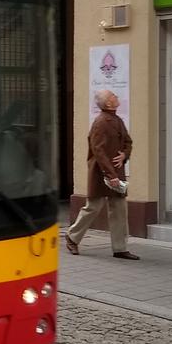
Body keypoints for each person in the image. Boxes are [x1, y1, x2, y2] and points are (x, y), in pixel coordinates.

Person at [65, 90, 138, 260]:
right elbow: (98, 151)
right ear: (108, 104)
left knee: (119, 209)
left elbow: (128, 141)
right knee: (93, 207)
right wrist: (110, 175)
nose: (117, 97)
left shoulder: (117, 119)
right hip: (101, 173)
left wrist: (125, 155)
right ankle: (72, 237)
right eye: (113, 96)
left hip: (114, 172)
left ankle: (120, 248)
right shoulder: (101, 122)